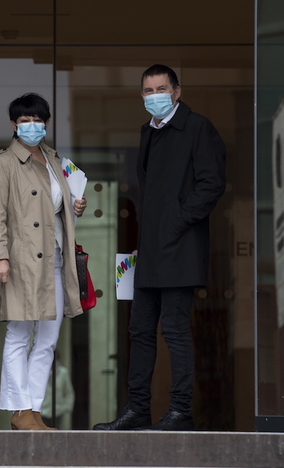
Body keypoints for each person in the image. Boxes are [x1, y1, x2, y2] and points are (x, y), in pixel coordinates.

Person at [93, 64, 226, 431]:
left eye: (161, 89)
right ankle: (138, 410)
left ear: (177, 91)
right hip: (149, 251)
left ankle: (181, 411)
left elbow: (212, 185)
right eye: (148, 91)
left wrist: (176, 221)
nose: (155, 96)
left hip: (180, 247)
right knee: (139, 329)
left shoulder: (198, 128)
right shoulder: (147, 133)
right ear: (142, 96)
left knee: (175, 330)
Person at [0, 93, 87, 430]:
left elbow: (52, 210)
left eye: (38, 120)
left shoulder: (55, 159)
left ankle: (33, 409)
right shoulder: (2, 162)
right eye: (25, 121)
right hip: (21, 259)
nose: (32, 126)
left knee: (48, 338)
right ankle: (18, 411)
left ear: (46, 122)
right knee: (19, 331)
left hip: (55, 258)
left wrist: (74, 208)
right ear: (14, 125)